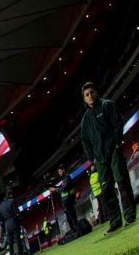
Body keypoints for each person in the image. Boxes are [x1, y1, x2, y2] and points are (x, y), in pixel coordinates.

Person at [80, 82, 136, 233]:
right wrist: (93, 158)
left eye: (92, 92)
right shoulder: (85, 120)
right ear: (84, 99)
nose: (90, 96)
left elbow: (118, 123)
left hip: (113, 152)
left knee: (122, 182)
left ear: (96, 93)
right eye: (87, 95)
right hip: (100, 159)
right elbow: (85, 141)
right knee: (107, 190)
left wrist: (117, 143)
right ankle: (115, 221)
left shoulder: (108, 105)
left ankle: (130, 216)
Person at [0, 187, 26, 255]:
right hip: (14, 221)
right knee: (18, 240)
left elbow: (0, 219)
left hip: (7, 225)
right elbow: (17, 212)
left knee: (10, 243)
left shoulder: (0, 207)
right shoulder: (12, 201)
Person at [52, 165, 78, 232]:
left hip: (68, 198)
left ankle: (76, 228)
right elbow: (61, 187)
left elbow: (63, 188)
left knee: (71, 214)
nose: (59, 173)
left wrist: (55, 189)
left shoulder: (66, 177)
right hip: (67, 198)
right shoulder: (64, 178)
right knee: (69, 214)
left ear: (63, 170)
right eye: (58, 172)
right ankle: (74, 228)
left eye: (60, 171)